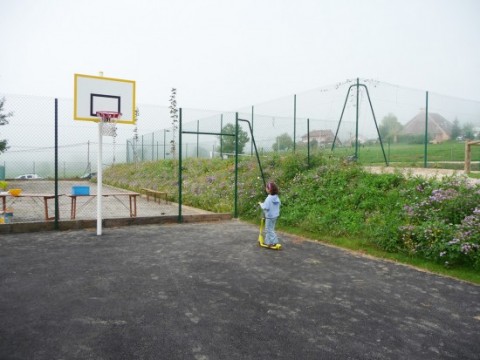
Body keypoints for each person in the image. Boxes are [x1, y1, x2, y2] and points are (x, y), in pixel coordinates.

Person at [259, 181, 281, 248]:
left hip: (269, 216)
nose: (266, 189)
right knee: (271, 229)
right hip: (275, 216)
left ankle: (274, 242)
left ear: (269, 190)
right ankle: (268, 242)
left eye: (266, 188)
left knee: (268, 230)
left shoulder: (268, 198)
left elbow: (266, 207)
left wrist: (261, 204)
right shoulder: (276, 197)